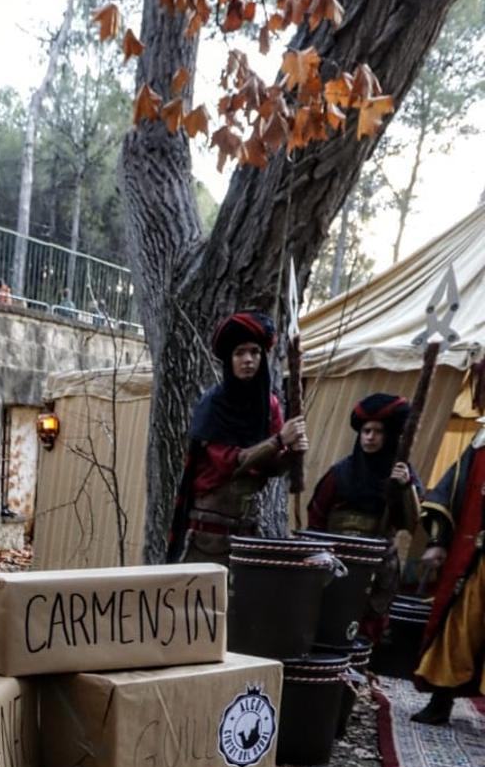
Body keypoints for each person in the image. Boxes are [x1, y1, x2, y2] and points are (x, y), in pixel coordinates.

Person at [167, 309, 307, 563]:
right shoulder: (212, 405)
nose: (248, 360)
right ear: (229, 360)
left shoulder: (270, 405)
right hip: (208, 532)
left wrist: (292, 454)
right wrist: (278, 441)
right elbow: (232, 462)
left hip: (248, 529)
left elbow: (270, 466)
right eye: (239, 353)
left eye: (254, 352)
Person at [307, 392, 422, 640]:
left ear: (389, 435)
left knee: (367, 627)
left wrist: (406, 487)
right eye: (366, 431)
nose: (370, 437)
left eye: (378, 432)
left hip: (379, 565)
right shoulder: (339, 474)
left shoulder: (401, 474)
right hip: (337, 561)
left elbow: (413, 523)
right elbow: (316, 516)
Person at [409, 416, 485, 725]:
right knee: (460, 627)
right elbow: (448, 491)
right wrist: (439, 541)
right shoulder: (480, 445)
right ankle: (441, 699)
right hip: (475, 558)